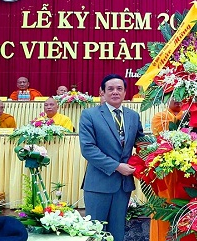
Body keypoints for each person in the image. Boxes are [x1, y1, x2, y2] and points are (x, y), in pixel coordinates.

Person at [79, 74, 144, 241]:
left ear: (125, 92)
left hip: (123, 186)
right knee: (95, 232)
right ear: (102, 92)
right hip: (99, 183)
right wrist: (117, 166)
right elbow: (88, 149)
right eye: (110, 89)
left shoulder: (133, 116)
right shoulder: (89, 115)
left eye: (119, 89)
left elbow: (141, 143)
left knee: (117, 232)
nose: (115, 92)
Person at [149, 98, 187, 241]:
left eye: (181, 97)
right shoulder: (160, 117)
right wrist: (182, 118)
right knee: (165, 208)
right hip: (166, 174)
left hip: (187, 172)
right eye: (174, 98)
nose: (178, 101)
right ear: (166, 99)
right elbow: (167, 137)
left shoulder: (189, 114)